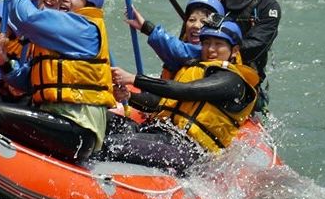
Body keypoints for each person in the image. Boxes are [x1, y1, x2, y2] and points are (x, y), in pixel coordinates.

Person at [0, 0, 114, 163]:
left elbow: (29, 19)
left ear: (89, 5)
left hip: (77, 128)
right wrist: (4, 61)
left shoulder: (85, 27)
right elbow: (28, 82)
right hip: (57, 119)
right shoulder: (60, 36)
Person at [107, 21, 259, 173]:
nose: (211, 49)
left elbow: (185, 91)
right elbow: (162, 104)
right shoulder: (196, 69)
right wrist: (129, 96)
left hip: (187, 150)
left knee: (111, 144)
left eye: (218, 44)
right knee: (102, 120)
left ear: (234, 50)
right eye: (206, 43)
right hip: (159, 134)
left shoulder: (232, 81)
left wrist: (133, 79)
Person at [201, 0, 280, 110]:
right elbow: (189, 38)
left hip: (244, 82)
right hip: (203, 72)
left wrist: (221, 51)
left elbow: (255, 47)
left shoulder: (268, 7)